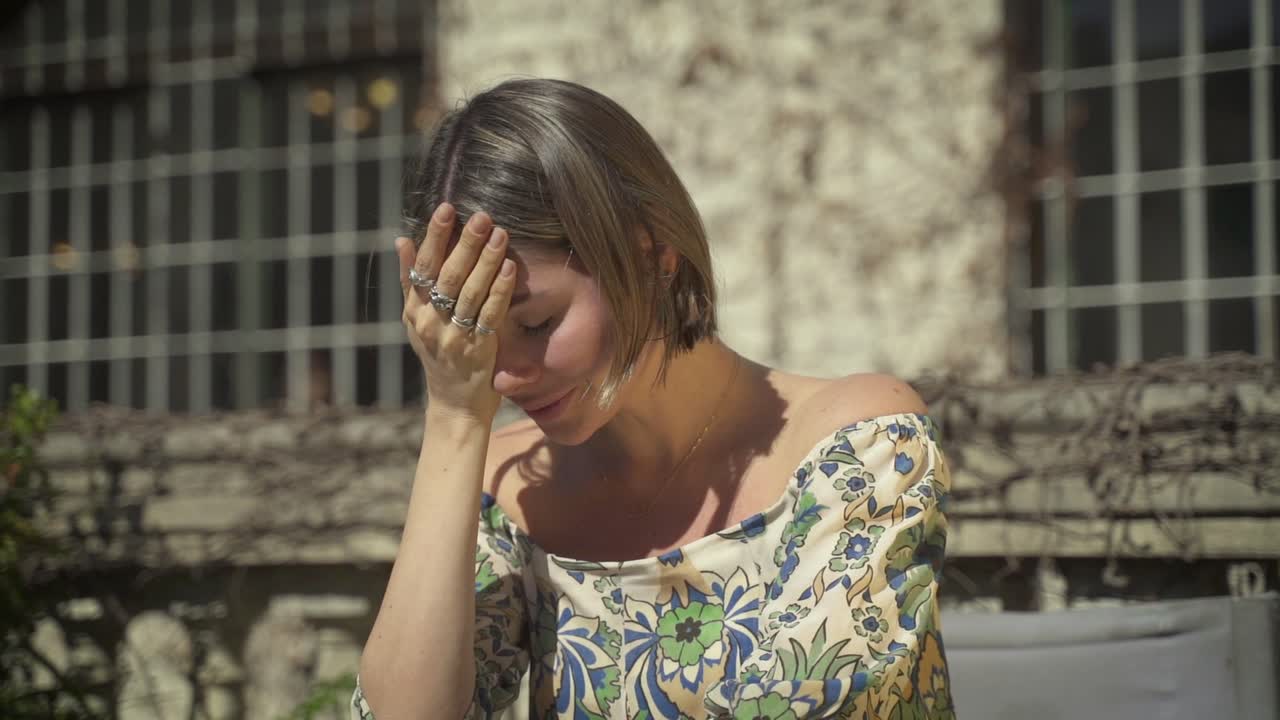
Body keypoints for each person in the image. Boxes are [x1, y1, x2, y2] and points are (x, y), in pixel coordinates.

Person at [353, 78, 955, 719]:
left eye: (536, 324)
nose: (506, 378)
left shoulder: (860, 449)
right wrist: (451, 418)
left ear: (653, 256)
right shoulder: (507, 493)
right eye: (478, 336)